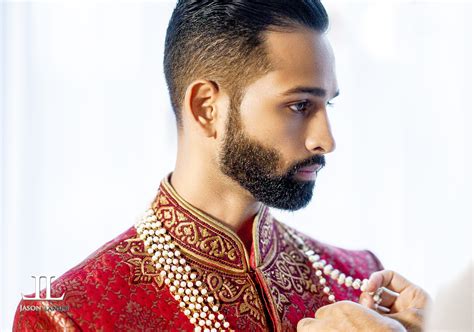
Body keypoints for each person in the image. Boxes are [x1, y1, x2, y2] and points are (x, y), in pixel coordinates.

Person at [13, 1, 429, 331]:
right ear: (206, 108)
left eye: (328, 104)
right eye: (300, 105)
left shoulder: (362, 285)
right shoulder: (67, 316)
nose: (326, 139)